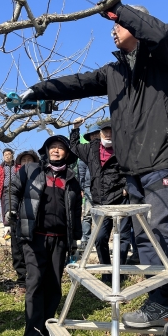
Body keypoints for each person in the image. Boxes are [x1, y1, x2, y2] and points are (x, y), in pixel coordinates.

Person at [20, 1, 168, 336]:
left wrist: (117, 7)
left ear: (134, 23)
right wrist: (37, 91)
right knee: (144, 236)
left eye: (117, 25)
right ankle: (159, 302)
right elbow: (77, 82)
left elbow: (161, 31)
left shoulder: (162, 56)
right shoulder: (114, 72)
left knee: (165, 229)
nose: (112, 30)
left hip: (163, 159)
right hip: (132, 167)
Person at [6, 136, 82, 336]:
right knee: (35, 283)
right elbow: (12, 190)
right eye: (53, 148)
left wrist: (74, 242)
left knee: (54, 286)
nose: (56, 151)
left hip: (59, 240)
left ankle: (47, 329)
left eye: (61, 148)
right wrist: (10, 210)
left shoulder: (71, 179)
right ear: (46, 150)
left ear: (67, 154)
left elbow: (75, 214)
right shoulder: (31, 170)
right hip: (35, 238)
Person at [70, 118, 130, 281]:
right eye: (105, 132)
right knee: (100, 237)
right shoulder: (91, 149)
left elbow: (133, 168)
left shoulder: (123, 148)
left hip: (121, 199)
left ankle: (120, 272)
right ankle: (107, 271)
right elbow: (74, 147)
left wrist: (128, 186)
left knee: (123, 237)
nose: (108, 135)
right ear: (101, 134)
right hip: (100, 201)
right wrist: (75, 128)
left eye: (111, 131)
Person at [10, 150, 40, 288]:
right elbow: (10, 194)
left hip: (36, 221)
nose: (27, 163)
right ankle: (22, 281)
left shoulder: (41, 178)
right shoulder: (16, 177)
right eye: (24, 161)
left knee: (34, 251)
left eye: (30, 160)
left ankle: (36, 279)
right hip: (18, 219)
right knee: (17, 251)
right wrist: (11, 210)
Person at [0, 148, 24, 285]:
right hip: (5, 190)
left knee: (17, 209)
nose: (7, 156)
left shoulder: (18, 166)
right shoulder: (0, 168)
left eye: (9, 154)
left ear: (12, 155)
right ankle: (7, 226)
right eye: (5, 155)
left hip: (18, 190)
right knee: (5, 209)